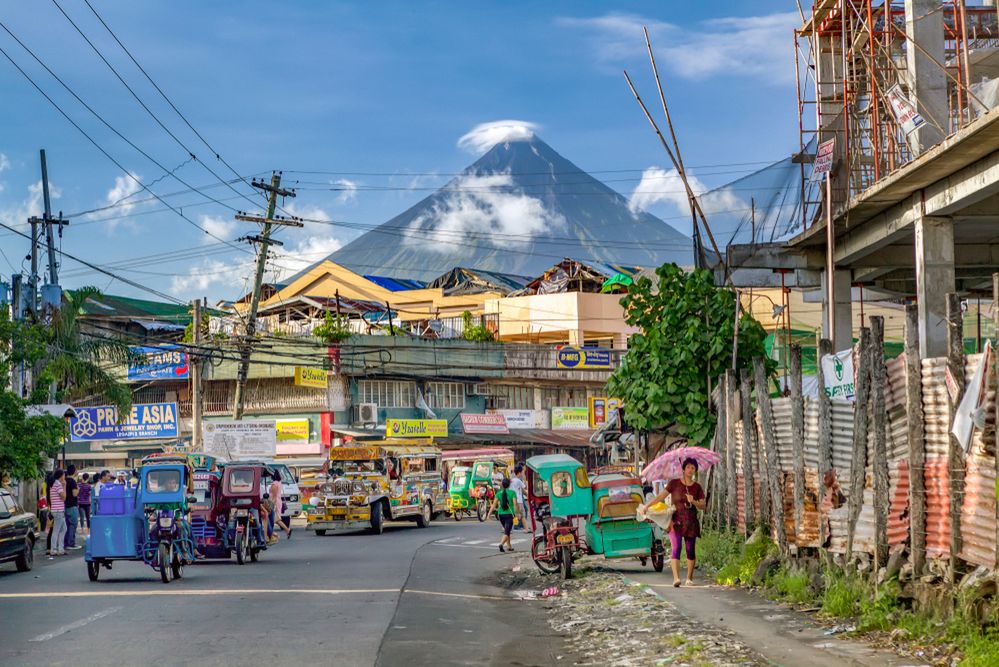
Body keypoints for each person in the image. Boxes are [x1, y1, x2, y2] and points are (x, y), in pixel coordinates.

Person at [640, 457, 706, 587]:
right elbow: (660, 497)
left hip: (691, 522)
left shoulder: (697, 487)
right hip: (675, 521)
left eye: (693, 468)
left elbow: (703, 505)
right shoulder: (674, 483)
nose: (690, 470)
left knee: (690, 550)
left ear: (695, 471)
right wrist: (647, 506)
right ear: (683, 469)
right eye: (688, 467)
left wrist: (693, 501)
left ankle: (689, 578)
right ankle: (676, 578)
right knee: (676, 548)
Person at [486, 477, 521, 553]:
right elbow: (515, 504)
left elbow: (494, 505)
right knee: (507, 532)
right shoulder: (512, 493)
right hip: (509, 514)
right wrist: (518, 513)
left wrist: (488, 514)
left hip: (501, 515)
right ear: (509, 484)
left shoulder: (498, 494)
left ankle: (509, 546)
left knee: (507, 530)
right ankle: (501, 544)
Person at [49, 469, 67, 557]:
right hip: (58, 510)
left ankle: (60, 548)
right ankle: (54, 549)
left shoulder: (53, 484)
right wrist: (64, 486)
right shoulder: (58, 484)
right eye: (64, 475)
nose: (64, 476)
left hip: (56, 510)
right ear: (61, 476)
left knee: (64, 529)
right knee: (56, 530)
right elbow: (64, 497)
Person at [269, 471, 292, 540]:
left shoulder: (274, 484)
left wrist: (272, 505)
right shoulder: (279, 483)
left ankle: (272, 534)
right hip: (278, 501)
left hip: (274, 502)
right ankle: (287, 530)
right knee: (276, 519)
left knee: (274, 519)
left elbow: (274, 496)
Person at [63, 465, 81, 550]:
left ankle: (66, 543)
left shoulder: (64, 480)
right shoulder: (72, 482)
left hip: (65, 506)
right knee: (73, 525)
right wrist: (78, 489)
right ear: (74, 471)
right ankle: (71, 543)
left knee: (66, 525)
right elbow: (75, 494)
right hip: (72, 506)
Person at [510, 464, 529, 532]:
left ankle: (516, 526)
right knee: (522, 514)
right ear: (519, 473)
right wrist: (524, 478)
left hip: (513, 499)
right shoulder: (518, 481)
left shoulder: (512, 480)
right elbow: (525, 487)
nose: (522, 473)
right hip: (519, 500)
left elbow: (522, 490)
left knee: (516, 514)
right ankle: (524, 528)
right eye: (522, 472)